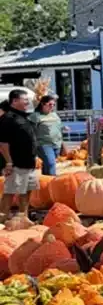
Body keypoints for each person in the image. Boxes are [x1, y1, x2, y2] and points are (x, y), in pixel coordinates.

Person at [0, 90, 39, 218]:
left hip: (29, 162)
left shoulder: (24, 116)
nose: (27, 102)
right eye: (25, 100)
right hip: (16, 163)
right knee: (10, 192)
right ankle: (1, 219)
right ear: (15, 101)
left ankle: (24, 218)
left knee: (26, 192)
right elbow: (3, 144)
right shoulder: (7, 119)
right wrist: (9, 162)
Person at [30, 94, 63, 177]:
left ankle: (45, 183)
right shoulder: (35, 116)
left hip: (56, 144)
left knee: (47, 164)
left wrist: (64, 127)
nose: (52, 106)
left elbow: (58, 125)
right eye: (50, 104)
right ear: (43, 104)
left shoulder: (54, 115)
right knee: (51, 163)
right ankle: (52, 181)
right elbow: (30, 130)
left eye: (53, 105)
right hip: (43, 144)